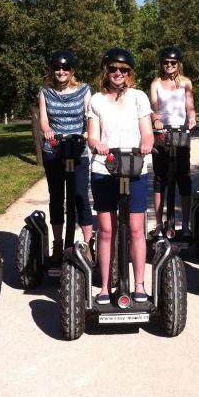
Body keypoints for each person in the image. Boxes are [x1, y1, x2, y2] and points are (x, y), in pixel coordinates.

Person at [86, 48, 154, 305]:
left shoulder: (139, 97)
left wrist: (147, 143)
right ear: (106, 70)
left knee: (136, 229)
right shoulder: (96, 100)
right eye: (113, 68)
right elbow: (93, 135)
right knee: (106, 230)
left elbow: (146, 132)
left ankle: (138, 285)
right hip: (105, 168)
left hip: (135, 167)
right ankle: (104, 286)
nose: (118, 73)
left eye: (123, 69)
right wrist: (97, 145)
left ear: (129, 73)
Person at [38, 50, 93, 260]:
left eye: (65, 68)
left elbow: (90, 115)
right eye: (57, 68)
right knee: (57, 198)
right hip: (54, 149)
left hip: (78, 148)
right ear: (52, 70)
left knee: (80, 197)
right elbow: (44, 119)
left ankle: (88, 246)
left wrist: (89, 131)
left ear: (72, 71)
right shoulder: (45, 92)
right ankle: (58, 244)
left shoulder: (84, 90)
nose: (61, 72)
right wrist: (48, 130)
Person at [149, 46, 197, 237]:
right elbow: (154, 106)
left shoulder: (186, 83)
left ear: (178, 64)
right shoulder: (156, 83)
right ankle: (160, 223)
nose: (169, 65)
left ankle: (185, 223)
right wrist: (156, 119)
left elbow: (190, 106)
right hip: (161, 135)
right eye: (165, 62)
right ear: (161, 64)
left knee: (183, 177)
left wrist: (192, 119)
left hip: (181, 134)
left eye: (172, 63)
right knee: (160, 178)